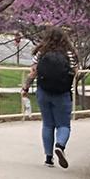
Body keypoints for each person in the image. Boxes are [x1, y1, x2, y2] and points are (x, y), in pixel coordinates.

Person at [21, 27, 79, 168]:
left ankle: (48, 158)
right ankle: (60, 145)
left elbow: (33, 73)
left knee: (47, 124)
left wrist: (25, 88)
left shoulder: (41, 53)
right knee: (63, 125)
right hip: (63, 93)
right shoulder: (70, 54)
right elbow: (75, 73)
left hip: (43, 92)